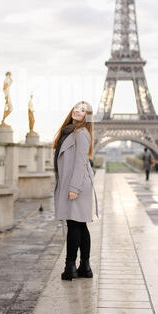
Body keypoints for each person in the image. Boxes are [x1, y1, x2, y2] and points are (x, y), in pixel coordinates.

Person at [53, 101, 99, 281]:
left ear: (87, 116)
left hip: (77, 184)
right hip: (76, 182)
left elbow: (81, 162)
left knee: (74, 224)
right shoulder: (71, 131)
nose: (78, 111)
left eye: (83, 110)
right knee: (80, 224)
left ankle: (70, 266)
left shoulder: (81, 133)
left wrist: (73, 188)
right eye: (76, 108)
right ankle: (84, 267)